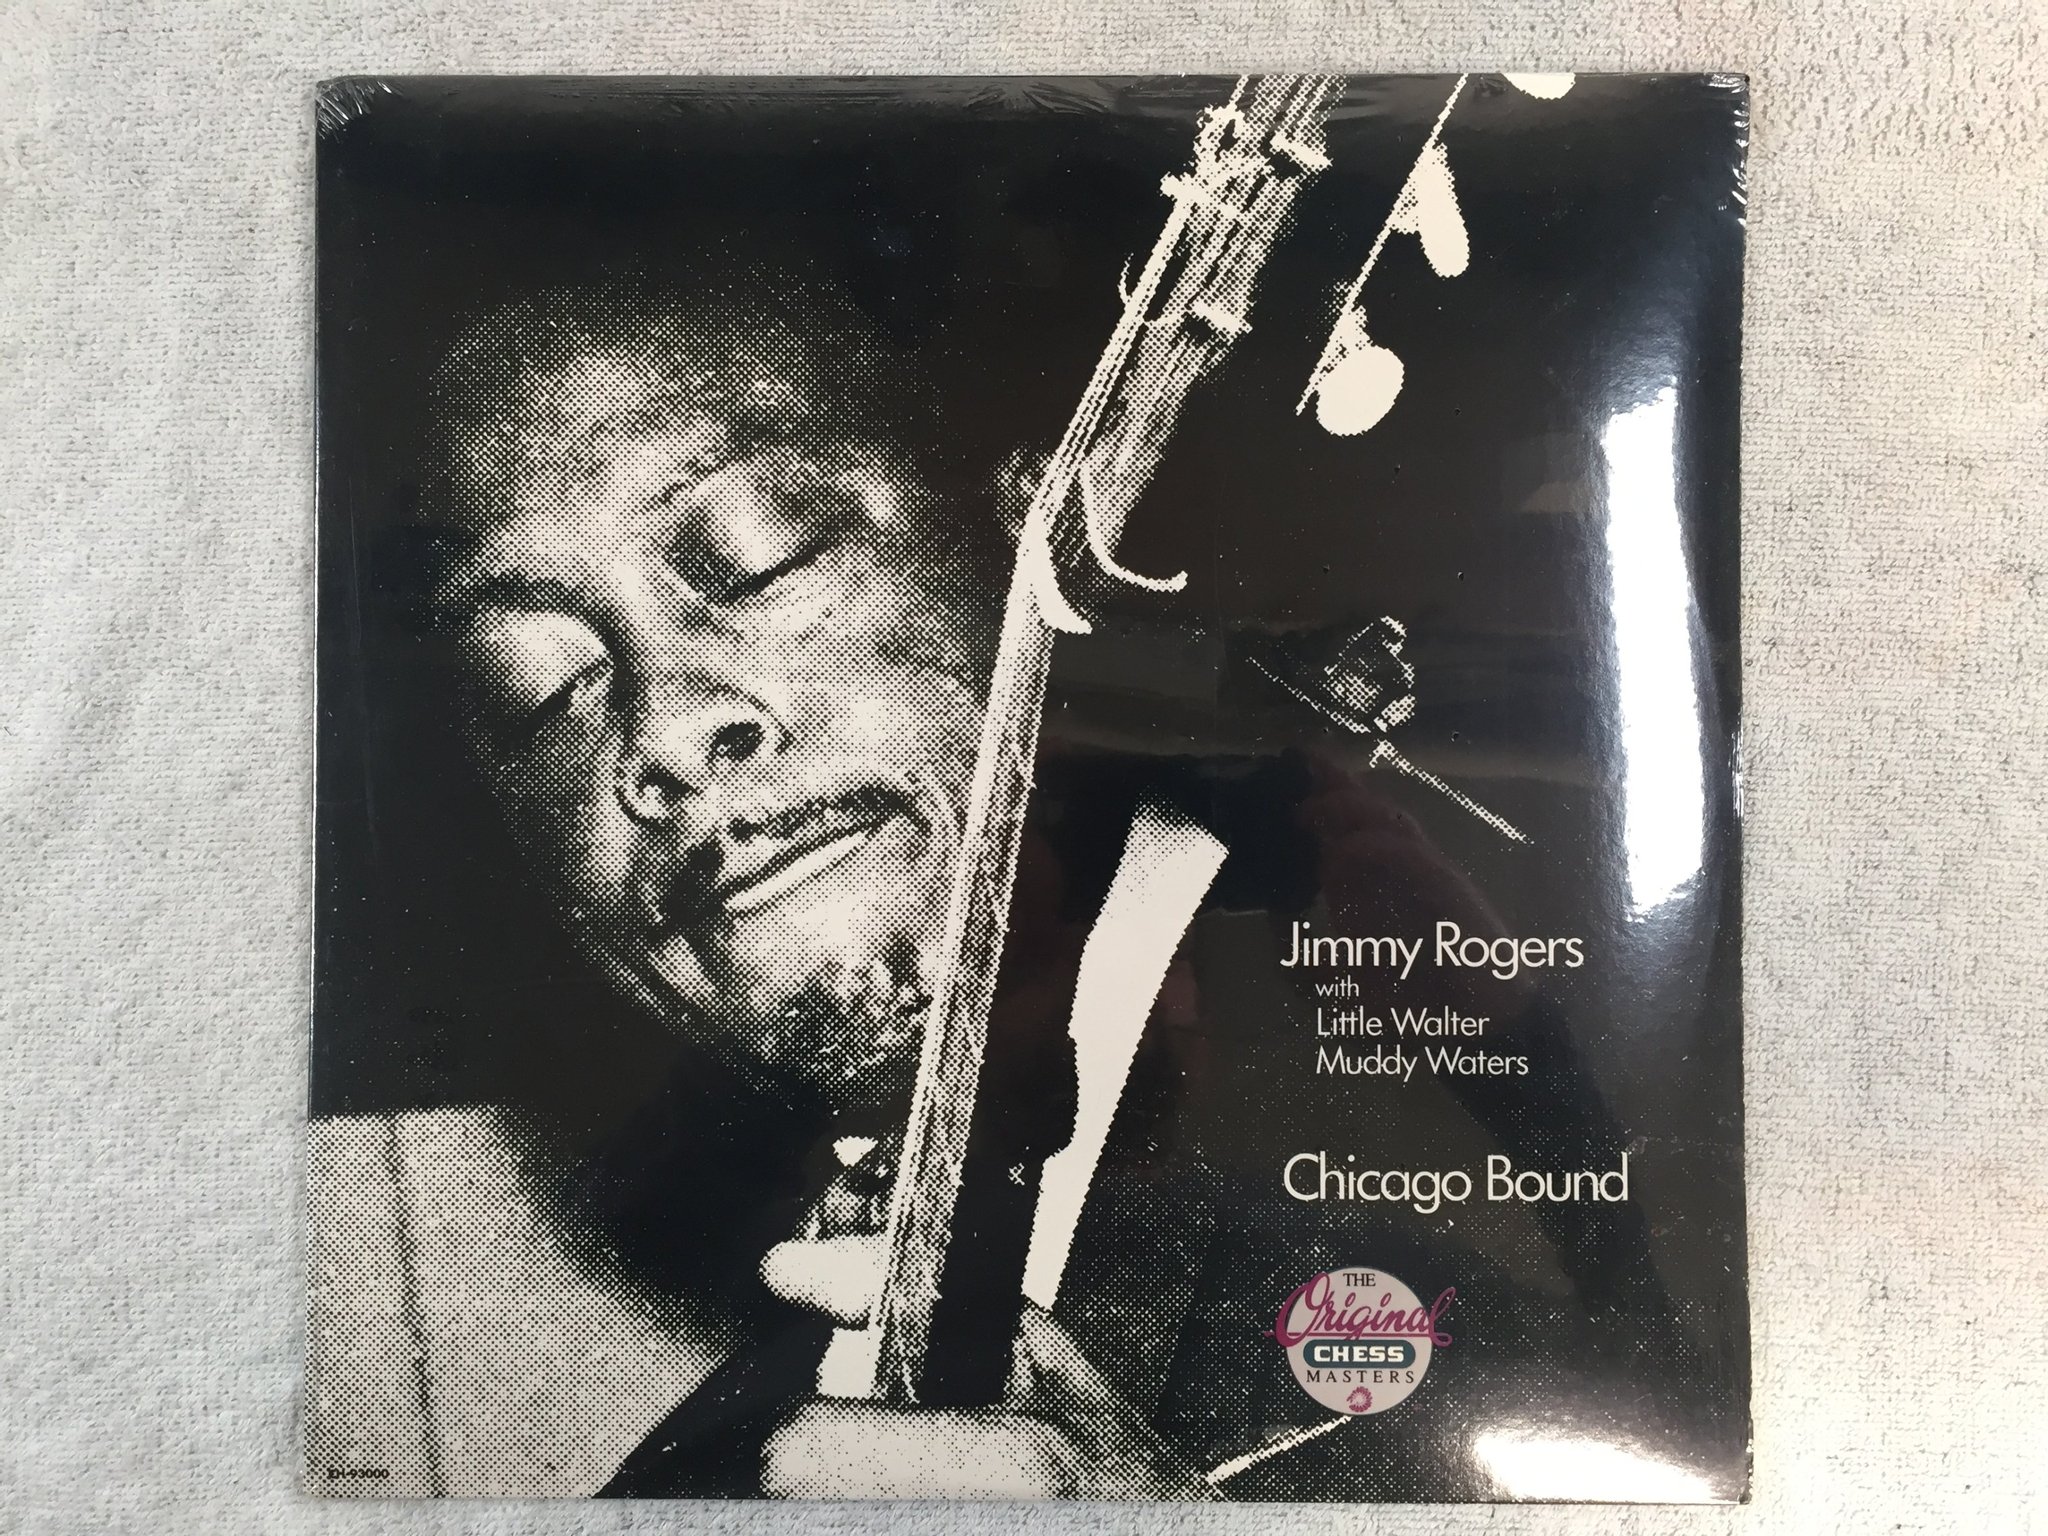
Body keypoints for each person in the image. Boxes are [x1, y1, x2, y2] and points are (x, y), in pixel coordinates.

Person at [313, 262, 1202, 1498]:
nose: (662, 732)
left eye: (756, 558)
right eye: (540, 689)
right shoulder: (700, 1480)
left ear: (1016, 532)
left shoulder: (1426, 1077)